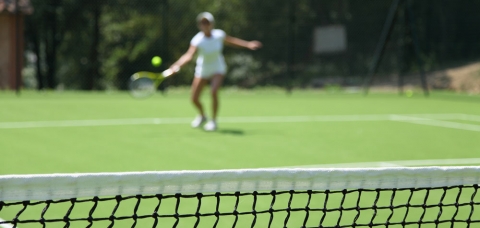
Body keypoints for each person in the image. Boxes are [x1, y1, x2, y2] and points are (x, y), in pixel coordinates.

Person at [168, 12, 262, 131]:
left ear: (212, 24)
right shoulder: (197, 40)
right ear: (199, 25)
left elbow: (232, 41)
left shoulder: (219, 35)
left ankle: (213, 121)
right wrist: (176, 66)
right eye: (202, 23)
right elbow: (189, 55)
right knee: (194, 98)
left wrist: (248, 44)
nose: (205, 25)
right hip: (203, 69)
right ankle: (202, 116)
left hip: (218, 67)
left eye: (207, 22)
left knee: (213, 92)